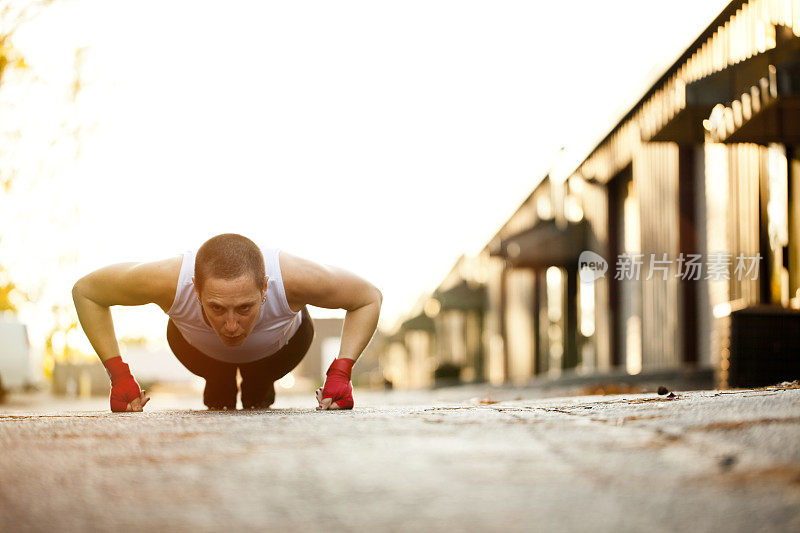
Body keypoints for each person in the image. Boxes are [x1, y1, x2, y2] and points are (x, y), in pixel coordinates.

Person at [72, 233, 382, 412]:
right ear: (195, 288)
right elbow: (87, 292)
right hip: (199, 353)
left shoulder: (295, 278)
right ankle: (218, 378)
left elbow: (367, 297)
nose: (231, 326)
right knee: (218, 395)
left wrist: (342, 371)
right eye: (217, 308)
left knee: (257, 396)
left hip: (279, 352)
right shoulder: (167, 280)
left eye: (245, 308)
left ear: (265, 287)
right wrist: (118, 375)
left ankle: (259, 380)